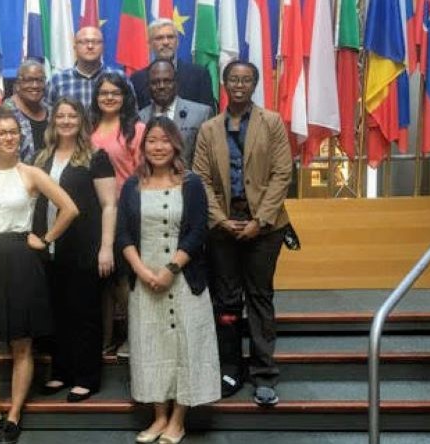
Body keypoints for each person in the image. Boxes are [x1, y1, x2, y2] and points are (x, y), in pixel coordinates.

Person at [0, 106, 79, 444]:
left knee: (21, 346)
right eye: (2, 133)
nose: (9, 137)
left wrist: (45, 239)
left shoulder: (31, 174)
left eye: (14, 132)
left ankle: (13, 418)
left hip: (22, 261)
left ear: (20, 136)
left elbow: (70, 209)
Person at [192, 60, 292, 406]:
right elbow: (200, 177)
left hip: (265, 228)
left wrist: (259, 220)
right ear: (224, 83)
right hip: (222, 227)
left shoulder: (272, 122)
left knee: (260, 297)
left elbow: (282, 173)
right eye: (233, 79)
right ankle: (230, 369)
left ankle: (264, 374)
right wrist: (219, 219)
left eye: (246, 80)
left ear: (254, 85)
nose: (239, 85)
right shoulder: (209, 129)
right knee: (227, 301)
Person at [117, 117, 220, 444]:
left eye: (164, 140)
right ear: (143, 147)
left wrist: (169, 270)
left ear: (175, 144)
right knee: (151, 348)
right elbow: (123, 234)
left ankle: (178, 420)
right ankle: (159, 418)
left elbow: (197, 231)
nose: (158, 147)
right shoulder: (132, 186)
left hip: (183, 280)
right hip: (144, 282)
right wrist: (143, 271)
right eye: (151, 141)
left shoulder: (191, 183)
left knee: (185, 348)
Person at [32, 98, 117, 402]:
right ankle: (60, 372)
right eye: (61, 116)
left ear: (82, 121)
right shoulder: (42, 157)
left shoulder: (96, 157)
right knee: (56, 312)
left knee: (84, 313)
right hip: (49, 249)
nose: (66, 121)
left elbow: (109, 205)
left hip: (85, 247)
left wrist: (107, 247)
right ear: (53, 121)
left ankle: (87, 377)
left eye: (72, 116)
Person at [90, 71, 146, 357]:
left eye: (115, 93)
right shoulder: (88, 128)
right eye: (103, 93)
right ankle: (106, 339)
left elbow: (143, 174)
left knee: (122, 277)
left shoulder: (135, 129)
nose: (109, 97)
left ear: (124, 97)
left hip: (125, 210)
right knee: (103, 279)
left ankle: (135, 337)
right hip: (93, 212)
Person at [0, 60, 49, 171]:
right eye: (28, 80)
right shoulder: (0, 116)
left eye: (40, 80)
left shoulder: (52, 113)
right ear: (17, 85)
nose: (35, 85)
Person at [138, 59, 213, 166]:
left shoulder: (201, 114)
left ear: (176, 83)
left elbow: (208, 160)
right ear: (148, 85)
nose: (161, 86)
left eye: (167, 81)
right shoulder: (140, 118)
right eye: (155, 82)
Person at [130, 19, 215, 109]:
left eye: (170, 37)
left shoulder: (199, 74)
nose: (166, 42)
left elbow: (208, 115)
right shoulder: (137, 79)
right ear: (150, 44)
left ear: (177, 42)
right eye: (159, 38)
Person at [44, 26, 134, 110]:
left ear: (103, 47)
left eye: (95, 42)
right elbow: (49, 118)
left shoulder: (120, 77)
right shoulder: (57, 81)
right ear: (75, 47)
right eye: (84, 42)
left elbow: (132, 113)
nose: (90, 46)